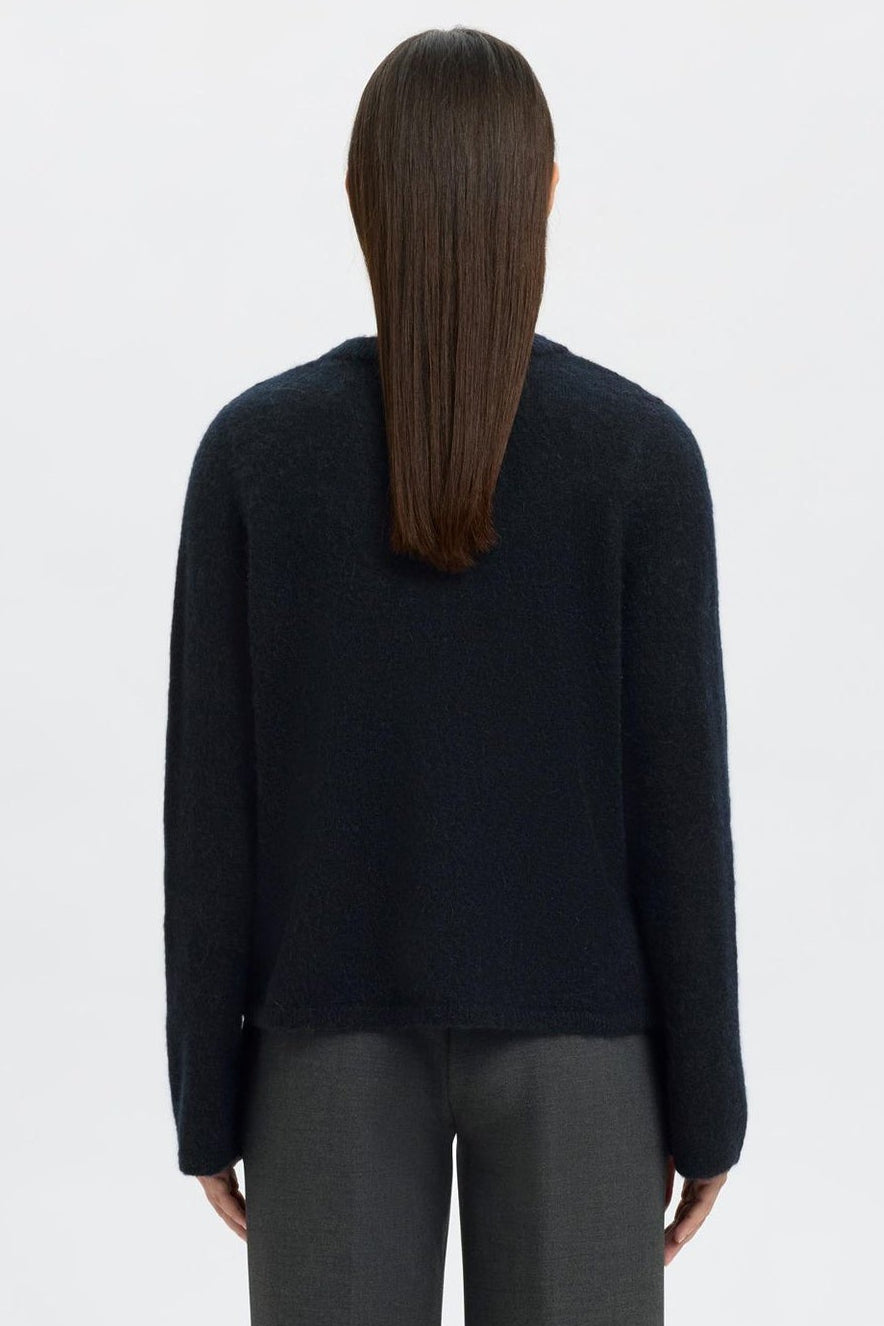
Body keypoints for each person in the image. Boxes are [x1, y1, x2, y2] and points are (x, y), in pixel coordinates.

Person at [163, 24, 748, 1326]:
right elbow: (680, 814)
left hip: (319, 1053)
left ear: (361, 197)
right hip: (586, 1059)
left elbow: (211, 815)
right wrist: (707, 1102)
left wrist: (209, 1092)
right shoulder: (640, 457)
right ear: (545, 194)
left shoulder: (256, 457)